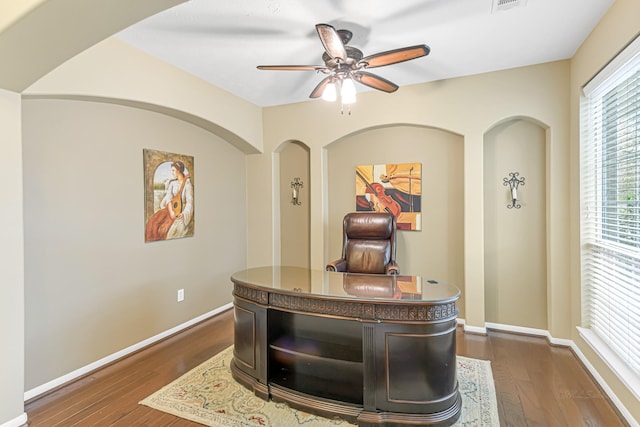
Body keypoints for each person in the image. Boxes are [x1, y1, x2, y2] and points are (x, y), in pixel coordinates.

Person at [145, 161, 194, 241]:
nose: (172, 173)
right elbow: (168, 198)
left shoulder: (187, 185)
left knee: (165, 229)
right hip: (171, 208)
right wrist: (171, 211)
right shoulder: (172, 184)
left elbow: (190, 202)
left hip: (181, 210)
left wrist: (184, 213)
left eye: (173, 170)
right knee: (153, 223)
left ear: (179, 170)